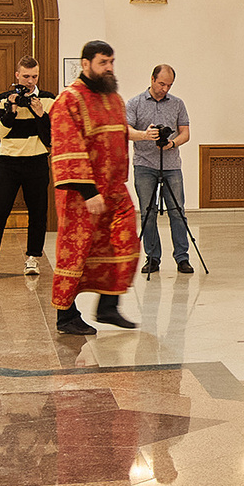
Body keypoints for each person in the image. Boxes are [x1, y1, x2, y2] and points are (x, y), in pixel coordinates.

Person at [47, 42, 140, 337]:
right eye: (103, 62)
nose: (109, 68)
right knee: (76, 252)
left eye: (111, 61)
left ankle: (108, 306)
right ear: (85, 64)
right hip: (81, 194)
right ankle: (66, 316)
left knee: (125, 243)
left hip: (115, 189)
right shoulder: (69, 100)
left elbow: (121, 136)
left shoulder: (114, 99)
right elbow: (67, 147)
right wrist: (89, 192)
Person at [0, 57, 53, 279]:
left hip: (36, 160)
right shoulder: (3, 99)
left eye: (34, 77)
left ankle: (33, 259)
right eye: (25, 76)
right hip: (8, 161)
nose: (29, 81)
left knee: (38, 212)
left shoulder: (47, 99)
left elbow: (51, 138)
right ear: (17, 75)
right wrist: (11, 111)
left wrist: (40, 115)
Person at [127, 64, 195, 275]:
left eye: (169, 85)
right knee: (148, 212)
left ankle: (182, 258)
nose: (165, 89)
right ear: (152, 79)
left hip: (172, 164)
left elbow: (185, 133)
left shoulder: (177, 104)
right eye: (161, 84)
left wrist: (173, 143)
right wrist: (144, 135)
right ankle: (152, 258)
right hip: (144, 164)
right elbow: (126, 131)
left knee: (177, 211)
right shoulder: (135, 103)